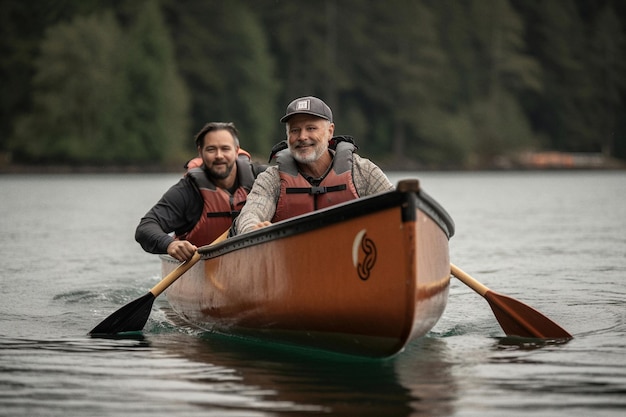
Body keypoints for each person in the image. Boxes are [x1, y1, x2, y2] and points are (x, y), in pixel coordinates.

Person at [235, 96, 394, 234]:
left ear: (330, 131)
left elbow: (396, 206)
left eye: (311, 128)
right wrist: (252, 228)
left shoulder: (362, 171)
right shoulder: (271, 179)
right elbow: (250, 214)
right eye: (295, 130)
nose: (302, 137)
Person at [135, 122, 266, 261]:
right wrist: (170, 244)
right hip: (203, 267)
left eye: (225, 149)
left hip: (257, 260)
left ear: (236, 150)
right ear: (200, 152)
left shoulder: (263, 178)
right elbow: (145, 228)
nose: (219, 156)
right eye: (211, 149)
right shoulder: (187, 191)